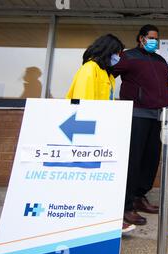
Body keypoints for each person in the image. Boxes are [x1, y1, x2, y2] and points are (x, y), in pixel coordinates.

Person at [65, 34, 135, 234]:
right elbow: (84, 106)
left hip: (102, 132)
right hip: (87, 134)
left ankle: (105, 219)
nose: (118, 58)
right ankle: (94, 221)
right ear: (107, 51)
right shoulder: (90, 69)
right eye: (117, 53)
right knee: (88, 180)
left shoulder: (107, 74)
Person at [113, 25, 168, 228]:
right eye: (150, 38)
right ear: (140, 38)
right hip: (136, 114)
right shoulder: (127, 56)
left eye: (157, 38)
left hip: (158, 116)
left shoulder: (160, 60)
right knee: (133, 160)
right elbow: (108, 74)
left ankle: (140, 196)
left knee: (151, 159)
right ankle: (126, 206)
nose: (154, 41)